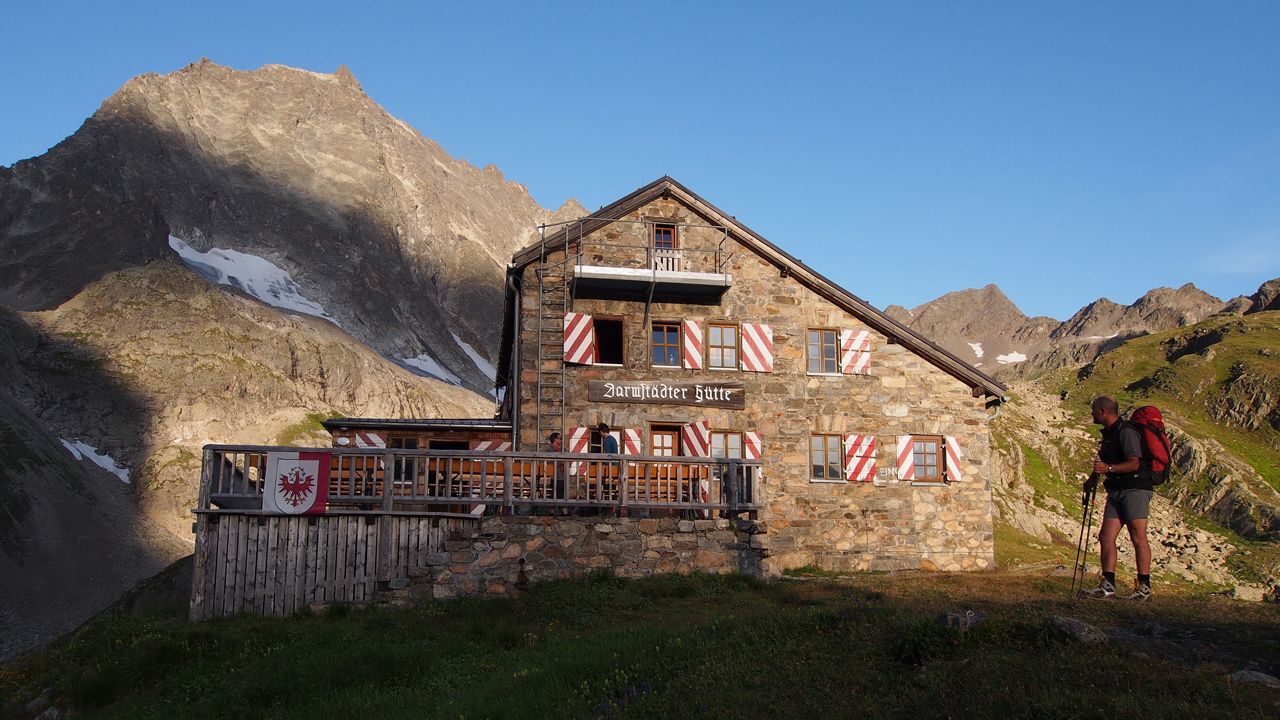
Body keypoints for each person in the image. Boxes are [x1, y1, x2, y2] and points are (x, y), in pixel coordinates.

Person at [1082, 395, 1153, 601]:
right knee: (1106, 536)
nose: (1092, 414)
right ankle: (1108, 585)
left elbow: (1135, 463)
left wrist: (1109, 469)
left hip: (1135, 489)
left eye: (1094, 410)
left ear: (1103, 411)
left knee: (1137, 536)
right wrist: (1090, 482)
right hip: (1116, 491)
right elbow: (1101, 464)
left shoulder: (1126, 432)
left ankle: (1144, 587)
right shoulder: (1109, 435)